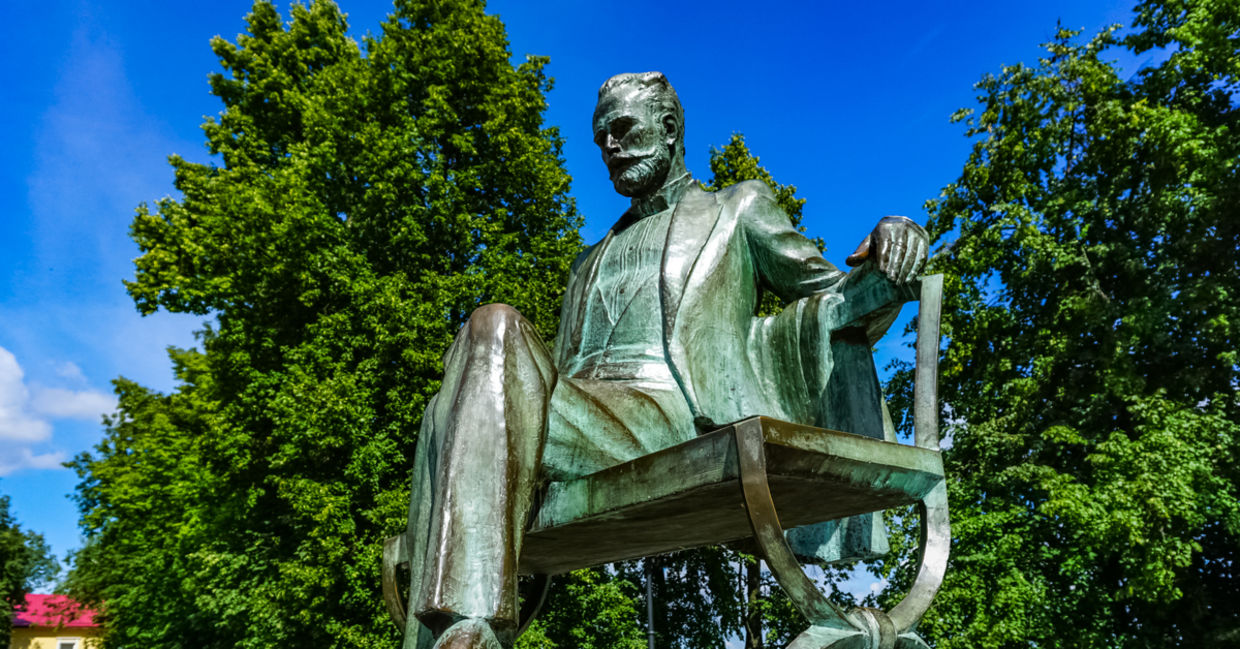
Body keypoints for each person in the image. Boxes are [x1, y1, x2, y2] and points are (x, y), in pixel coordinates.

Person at [402, 72, 928, 649]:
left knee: (492, 325)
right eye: (601, 138)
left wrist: (895, 244)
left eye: (623, 129)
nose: (610, 147)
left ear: (670, 128)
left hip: (673, 414)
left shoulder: (736, 208)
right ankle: (466, 630)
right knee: (481, 344)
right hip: (583, 421)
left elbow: (839, 301)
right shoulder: (587, 261)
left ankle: (467, 628)